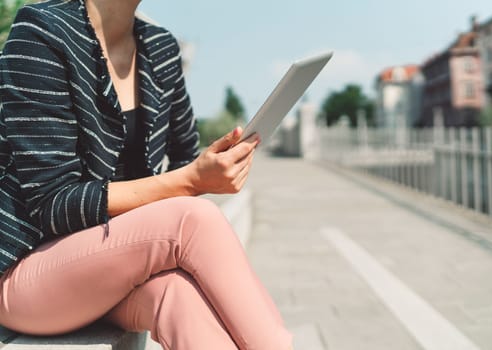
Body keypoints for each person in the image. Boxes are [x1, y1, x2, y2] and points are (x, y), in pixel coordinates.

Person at [0, 0, 293, 349]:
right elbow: (53, 202)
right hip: (26, 272)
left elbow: (185, 155)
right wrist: (192, 180)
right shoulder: (41, 31)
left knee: (180, 298)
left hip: (110, 266)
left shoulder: (160, 47)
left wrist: (217, 163)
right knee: (192, 220)